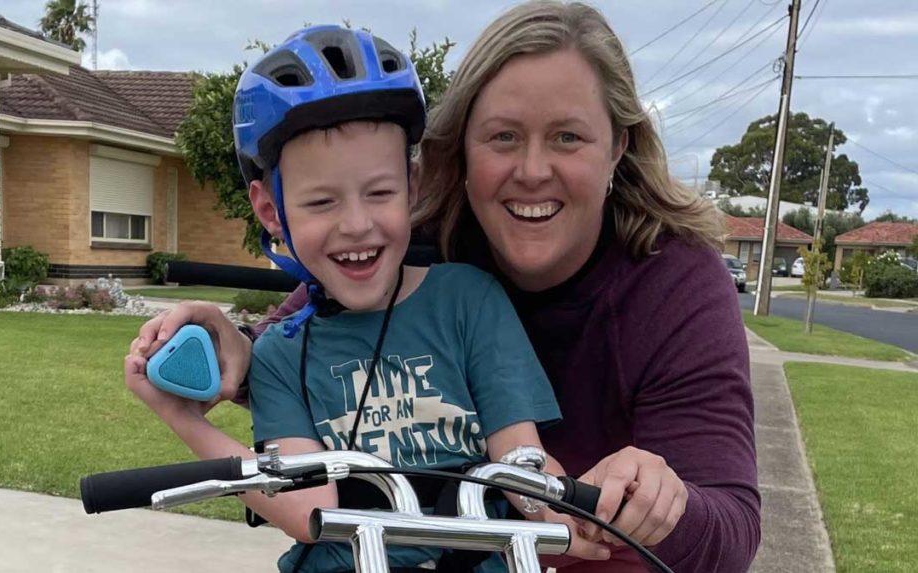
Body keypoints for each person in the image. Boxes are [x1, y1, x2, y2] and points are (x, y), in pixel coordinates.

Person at [135, 2, 760, 571]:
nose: (533, 170)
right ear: (460, 149)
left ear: (618, 145)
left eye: (568, 136)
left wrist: (628, 507)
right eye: (503, 136)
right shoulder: (409, 244)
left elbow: (532, 465)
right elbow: (314, 333)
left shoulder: (654, 281)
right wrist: (231, 356)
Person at [125, 25, 570, 573]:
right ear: (271, 213)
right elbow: (309, 506)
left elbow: (520, 459)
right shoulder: (281, 354)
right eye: (321, 201)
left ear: (412, 185)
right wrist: (185, 419)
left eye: (380, 192)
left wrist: (564, 511)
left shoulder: (468, 302)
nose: (356, 225)